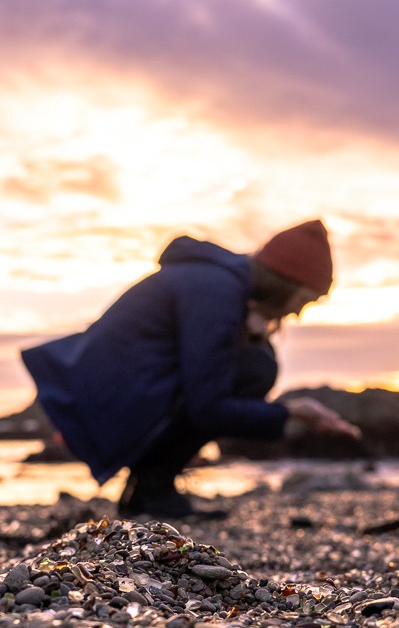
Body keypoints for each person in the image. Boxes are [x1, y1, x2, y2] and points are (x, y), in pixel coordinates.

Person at [21, 219, 360, 519]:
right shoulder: (217, 291)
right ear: (286, 284)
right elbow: (207, 407)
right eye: (306, 299)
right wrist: (289, 414)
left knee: (256, 360)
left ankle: (151, 487)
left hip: (95, 395)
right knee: (256, 368)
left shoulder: (216, 282)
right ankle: (154, 489)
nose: (299, 312)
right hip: (98, 407)